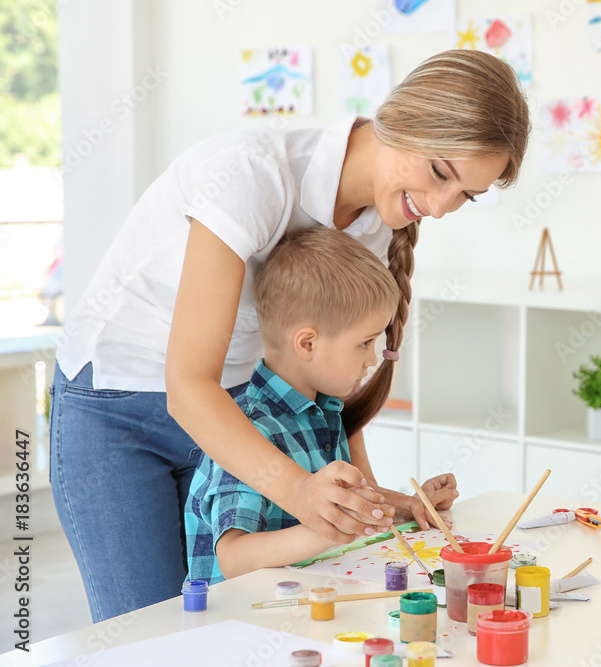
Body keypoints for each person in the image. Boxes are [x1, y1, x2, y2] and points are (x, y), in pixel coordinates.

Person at [50, 49, 530, 621]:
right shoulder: (252, 176)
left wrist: (370, 505)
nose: (443, 208)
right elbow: (188, 385)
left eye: (467, 195)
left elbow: (328, 386)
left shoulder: (380, 221)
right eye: (440, 173)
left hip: (232, 409)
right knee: (148, 634)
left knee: (228, 620)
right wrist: (302, 493)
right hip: (120, 411)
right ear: (399, 120)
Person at [186, 228, 398, 584]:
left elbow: (353, 505)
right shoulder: (251, 429)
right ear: (307, 344)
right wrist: (326, 529)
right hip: (241, 624)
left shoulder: (327, 414)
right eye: (364, 343)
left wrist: (408, 506)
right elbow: (234, 558)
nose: (373, 359)